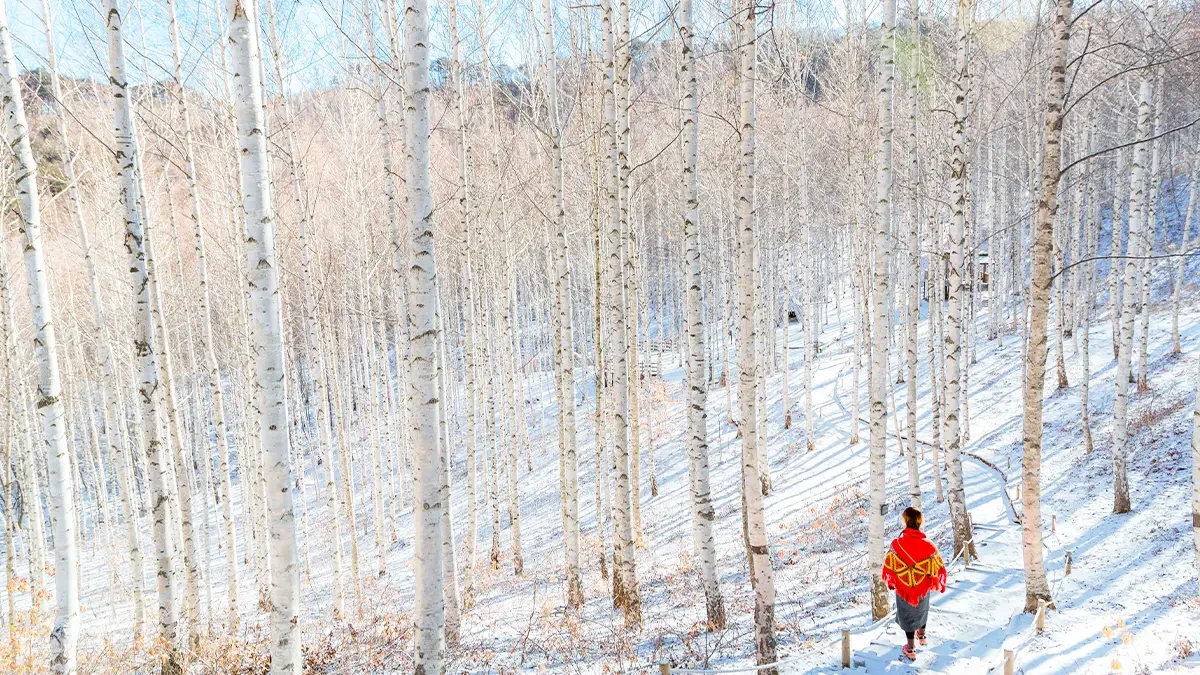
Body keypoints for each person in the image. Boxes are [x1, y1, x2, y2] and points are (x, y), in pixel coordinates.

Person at [881, 507, 948, 661]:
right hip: (922, 586)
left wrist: (893, 581)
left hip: (903, 587)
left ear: (905, 521)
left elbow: (889, 566)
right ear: (920, 521)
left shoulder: (896, 544)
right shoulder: (929, 545)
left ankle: (910, 648)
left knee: (907, 615)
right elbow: (939, 567)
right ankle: (922, 636)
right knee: (922, 609)